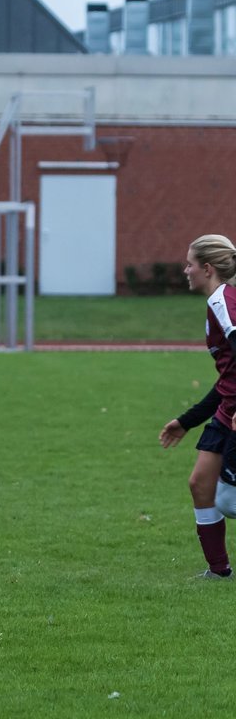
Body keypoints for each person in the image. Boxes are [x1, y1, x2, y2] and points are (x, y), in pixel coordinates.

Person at [159, 234, 236, 579]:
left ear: (206, 269)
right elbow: (227, 380)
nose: (184, 269)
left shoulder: (223, 299)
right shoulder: (219, 301)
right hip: (227, 409)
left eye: (189, 263)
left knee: (228, 501)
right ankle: (219, 572)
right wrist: (187, 420)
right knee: (201, 485)